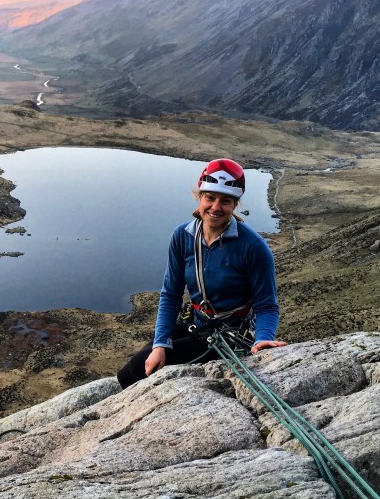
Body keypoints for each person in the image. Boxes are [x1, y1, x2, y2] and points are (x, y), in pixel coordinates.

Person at [117, 158, 286, 388]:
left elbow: (267, 305)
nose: (216, 207)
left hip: (228, 335)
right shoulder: (182, 236)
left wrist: (263, 338)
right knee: (129, 371)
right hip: (195, 322)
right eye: (210, 198)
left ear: (235, 205)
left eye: (225, 201)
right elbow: (171, 294)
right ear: (200, 197)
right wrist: (161, 344)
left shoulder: (253, 248)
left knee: (136, 371)